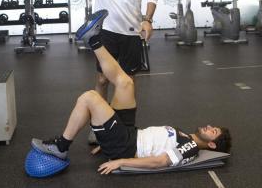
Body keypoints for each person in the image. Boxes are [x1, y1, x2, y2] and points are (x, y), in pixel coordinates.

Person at [31, 10, 232, 174]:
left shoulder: (191, 147)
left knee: (89, 98)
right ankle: (94, 39)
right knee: (125, 82)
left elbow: (159, 162)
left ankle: (61, 147)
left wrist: (120, 161)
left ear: (212, 145)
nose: (208, 126)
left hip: (125, 145)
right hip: (128, 133)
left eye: (212, 131)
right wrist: (107, 139)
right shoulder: (185, 136)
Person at [9, 0, 158, 115]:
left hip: (131, 33)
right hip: (107, 32)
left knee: (127, 82)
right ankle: (101, 122)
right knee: (102, 80)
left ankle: (124, 126)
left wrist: (148, 20)